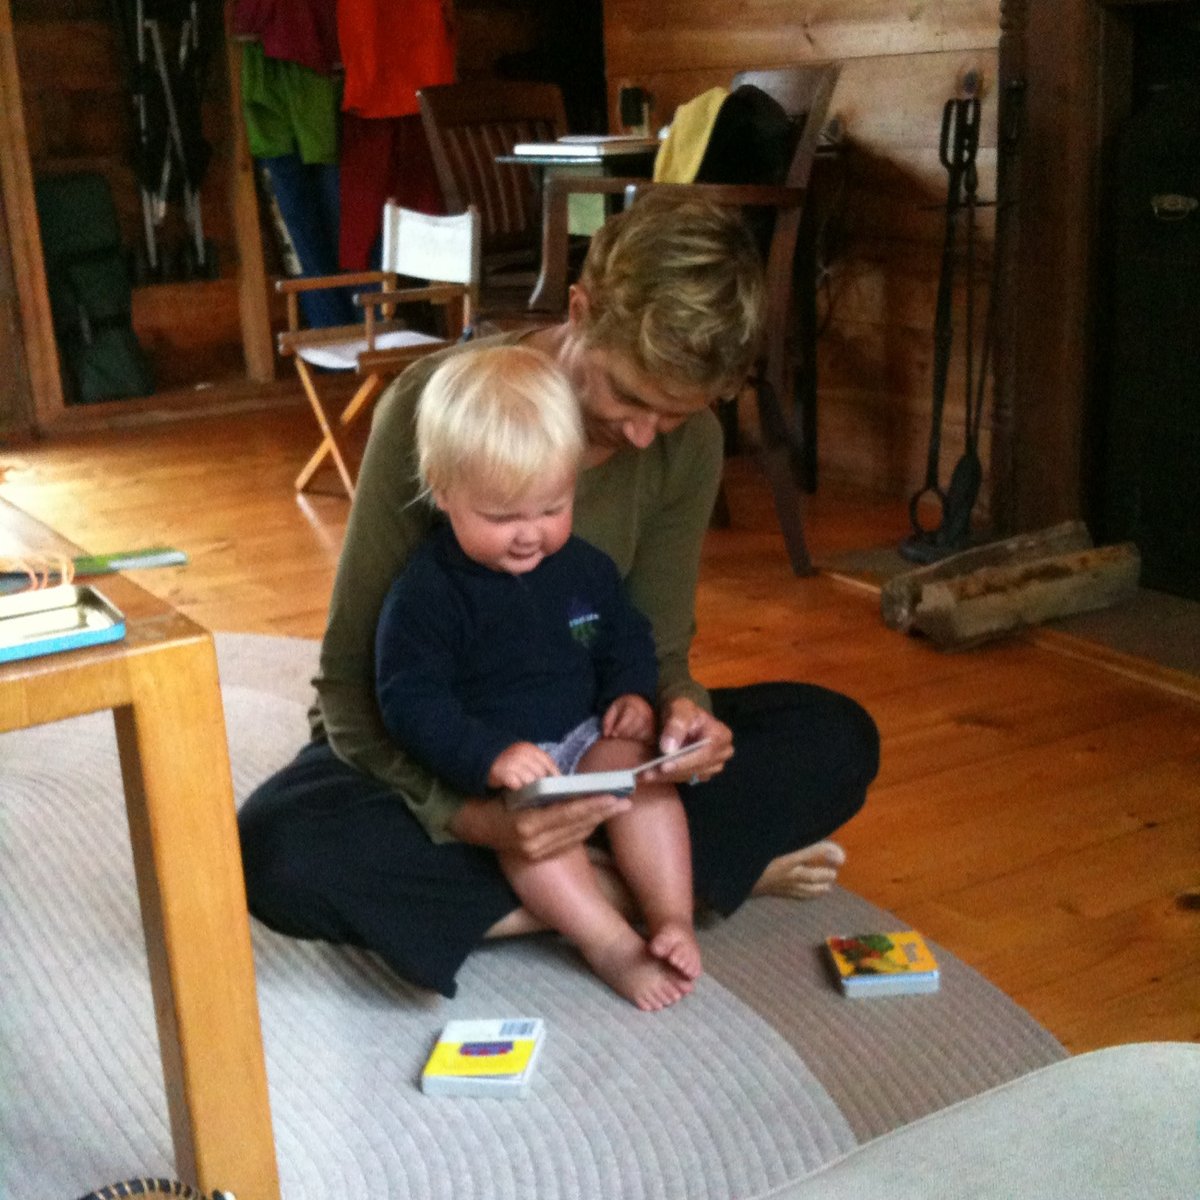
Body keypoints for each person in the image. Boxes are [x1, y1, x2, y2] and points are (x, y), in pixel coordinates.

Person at [238, 191, 880, 1000]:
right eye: (630, 396)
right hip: (445, 743)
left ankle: (558, 893)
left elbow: (655, 645)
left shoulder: (691, 444)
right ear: (580, 309)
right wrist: (476, 820)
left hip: (589, 750)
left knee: (835, 735)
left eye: (676, 413)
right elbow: (349, 689)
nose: (646, 435)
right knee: (276, 851)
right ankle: (651, 891)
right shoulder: (435, 409)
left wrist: (683, 714)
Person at [376, 345, 703, 1010]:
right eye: (501, 518)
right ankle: (609, 942)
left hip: (586, 737)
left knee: (644, 778)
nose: (530, 536)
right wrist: (489, 757)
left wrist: (634, 696)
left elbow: (625, 635)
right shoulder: (427, 594)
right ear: (443, 492)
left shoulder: (584, 568)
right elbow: (407, 700)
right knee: (534, 841)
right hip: (509, 770)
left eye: (552, 508)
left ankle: (673, 916)